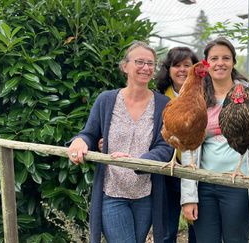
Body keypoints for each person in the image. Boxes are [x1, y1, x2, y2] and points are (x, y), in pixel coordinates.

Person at [67, 41, 174, 243]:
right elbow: (89, 133)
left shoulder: (163, 104)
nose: (146, 68)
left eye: (150, 63)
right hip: (112, 192)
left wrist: (139, 161)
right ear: (125, 66)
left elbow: (165, 145)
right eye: (139, 62)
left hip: (145, 195)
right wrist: (80, 141)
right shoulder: (106, 100)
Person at [180, 37, 249, 243]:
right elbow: (188, 146)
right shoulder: (197, 98)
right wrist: (188, 197)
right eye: (214, 58)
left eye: (226, 57)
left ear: (233, 62)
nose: (220, 63)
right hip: (204, 184)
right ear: (206, 63)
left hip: (239, 185)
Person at [154, 46, 199, 243]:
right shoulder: (159, 97)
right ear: (168, 69)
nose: (182, 70)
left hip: (197, 170)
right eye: (176, 65)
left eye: (187, 65)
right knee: (166, 230)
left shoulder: (204, 95)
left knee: (197, 227)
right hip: (168, 171)